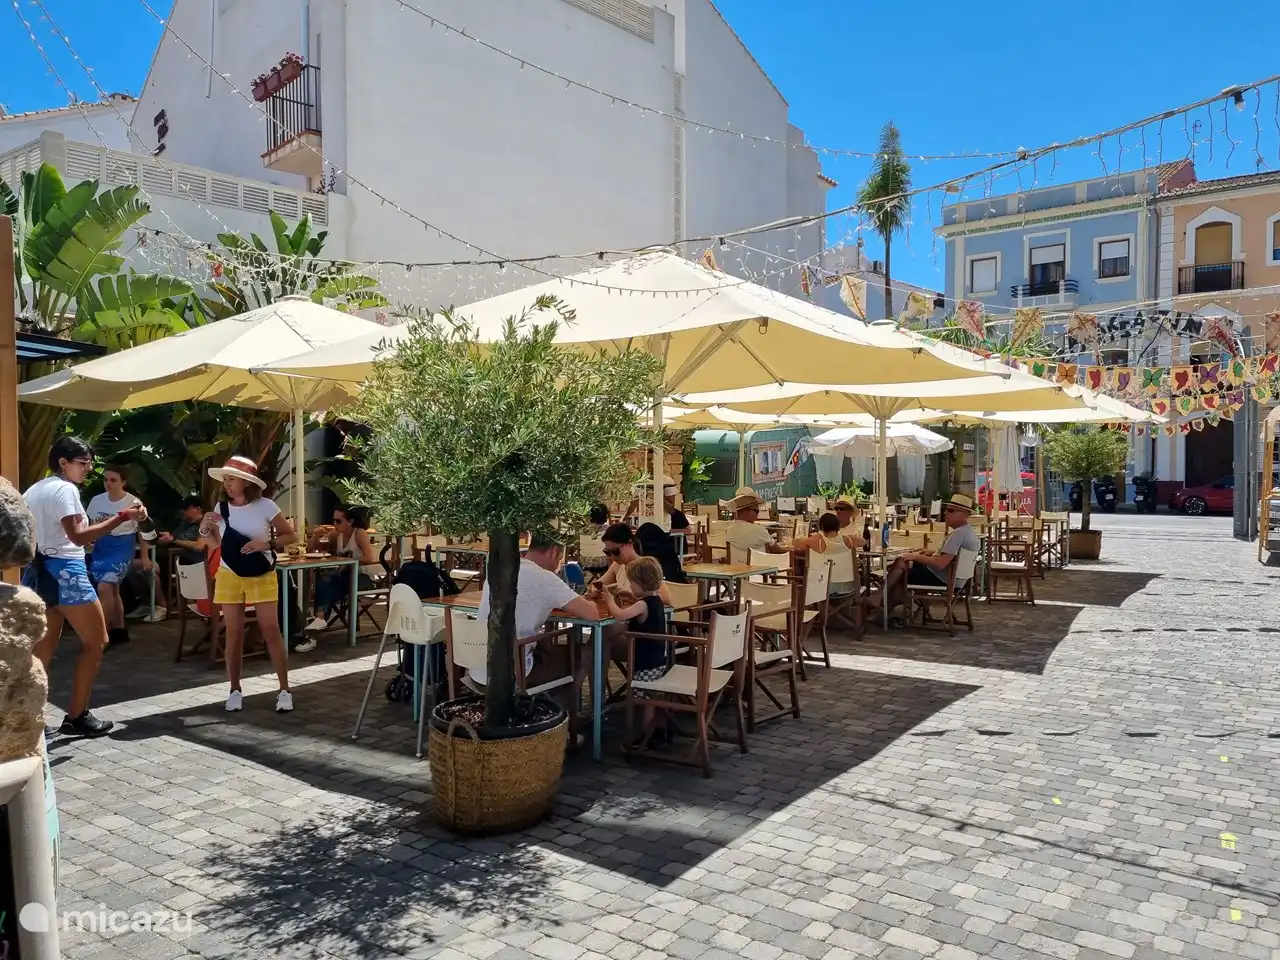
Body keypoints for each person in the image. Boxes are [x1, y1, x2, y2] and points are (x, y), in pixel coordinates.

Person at [23, 437, 144, 736]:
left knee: (43, 650)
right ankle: (77, 715)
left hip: (38, 571)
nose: (89, 468)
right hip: (66, 571)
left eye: (90, 462)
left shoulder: (35, 490)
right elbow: (77, 536)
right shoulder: (66, 490)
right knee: (96, 642)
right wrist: (122, 516)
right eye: (83, 463)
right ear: (63, 462)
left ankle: (30, 720)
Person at [198, 456, 297, 713]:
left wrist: (266, 544)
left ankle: (284, 690)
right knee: (233, 632)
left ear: (246, 481)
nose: (227, 484)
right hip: (228, 574)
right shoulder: (221, 508)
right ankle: (234, 690)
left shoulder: (265, 505)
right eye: (225, 479)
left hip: (260, 572)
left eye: (232, 479)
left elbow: (291, 535)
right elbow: (217, 545)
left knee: (270, 629)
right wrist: (205, 530)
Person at [472, 534, 600, 710]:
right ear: (553, 551)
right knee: (584, 652)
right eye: (559, 559)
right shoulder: (545, 578)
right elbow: (593, 614)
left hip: (478, 668)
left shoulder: (501, 570)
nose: (558, 565)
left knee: (546, 647)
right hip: (515, 673)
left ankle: (547, 705)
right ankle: (561, 711)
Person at [862, 493, 981, 624]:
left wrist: (916, 556)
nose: (946, 513)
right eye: (946, 509)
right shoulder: (968, 533)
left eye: (951, 510)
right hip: (956, 579)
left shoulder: (958, 534)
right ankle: (883, 607)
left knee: (902, 571)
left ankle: (880, 600)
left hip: (944, 578)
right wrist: (930, 553)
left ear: (964, 514)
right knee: (902, 565)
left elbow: (941, 563)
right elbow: (953, 557)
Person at [83, 465, 157, 643]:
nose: (108, 483)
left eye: (113, 480)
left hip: (122, 547)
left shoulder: (133, 502)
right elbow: (91, 525)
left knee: (104, 587)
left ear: (123, 482)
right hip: (101, 547)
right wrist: (89, 541)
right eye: (105, 479)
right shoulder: (96, 501)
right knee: (113, 589)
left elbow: (143, 531)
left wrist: (144, 556)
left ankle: (102, 634)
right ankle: (120, 629)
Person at [602, 556, 670, 745]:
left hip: (644, 661)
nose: (630, 587)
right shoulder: (656, 600)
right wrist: (632, 597)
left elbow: (619, 615)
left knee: (645, 701)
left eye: (632, 583)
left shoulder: (641, 605)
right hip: (658, 658)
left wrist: (609, 600)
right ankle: (659, 732)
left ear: (641, 583)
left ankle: (646, 737)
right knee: (652, 697)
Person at [298, 505, 382, 649]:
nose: (334, 524)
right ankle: (317, 621)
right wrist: (315, 536)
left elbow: (369, 558)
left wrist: (346, 562)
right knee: (322, 584)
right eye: (333, 521)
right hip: (343, 577)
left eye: (338, 521)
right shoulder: (336, 533)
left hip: (362, 578)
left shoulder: (359, 533)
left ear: (350, 521)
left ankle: (313, 629)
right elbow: (312, 549)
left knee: (325, 585)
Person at [792, 512, 859, 597]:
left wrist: (818, 535)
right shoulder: (849, 541)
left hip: (822, 590)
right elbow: (863, 541)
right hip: (847, 589)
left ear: (821, 527)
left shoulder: (817, 542)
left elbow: (795, 542)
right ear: (838, 527)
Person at [724, 488, 787, 558]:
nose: (757, 514)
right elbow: (777, 550)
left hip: (736, 564)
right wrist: (792, 550)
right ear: (749, 511)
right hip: (760, 565)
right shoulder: (759, 530)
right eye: (756, 511)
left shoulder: (730, 529)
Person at [159, 495, 208, 565]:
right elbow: (172, 538)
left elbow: (199, 546)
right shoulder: (185, 523)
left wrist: (173, 540)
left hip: (198, 563)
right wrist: (166, 537)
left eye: (186, 508)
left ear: (198, 509)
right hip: (180, 558)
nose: (182, 511)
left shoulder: (205, 523)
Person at [625, 482, 690, 535]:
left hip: (662, 529)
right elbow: (633, 503)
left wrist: (659, 495)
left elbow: (671, 510)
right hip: (644, 527)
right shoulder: (640, 481)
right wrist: (626, 516)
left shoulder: (667, 481)